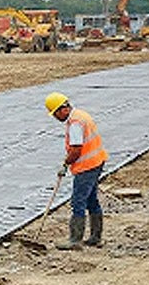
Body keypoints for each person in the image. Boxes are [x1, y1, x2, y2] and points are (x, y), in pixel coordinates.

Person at [44, 92, 107, 249]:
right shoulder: (80, 114)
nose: (55, 118)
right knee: (91, 200)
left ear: (62, 109)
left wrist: (65, 164)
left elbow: (76, 149)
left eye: (55, 114)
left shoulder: (75, 123)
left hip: (87, 166)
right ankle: (95, 237)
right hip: (97, 161)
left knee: (78, 201)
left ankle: (75, 240)